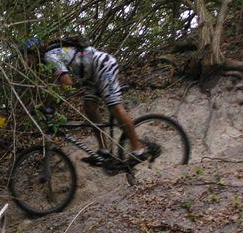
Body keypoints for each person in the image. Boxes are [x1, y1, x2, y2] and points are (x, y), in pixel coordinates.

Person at [23, 36, 152, 164]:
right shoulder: (48, 58)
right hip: (90, 75)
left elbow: (67, 83)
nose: (25, 61)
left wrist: (52, 105)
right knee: (89, 108)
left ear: (33, 53)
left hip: (102, 65)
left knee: (114, 108)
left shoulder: (49, 56)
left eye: (25, 57)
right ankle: (104, 151)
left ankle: (139, 149)